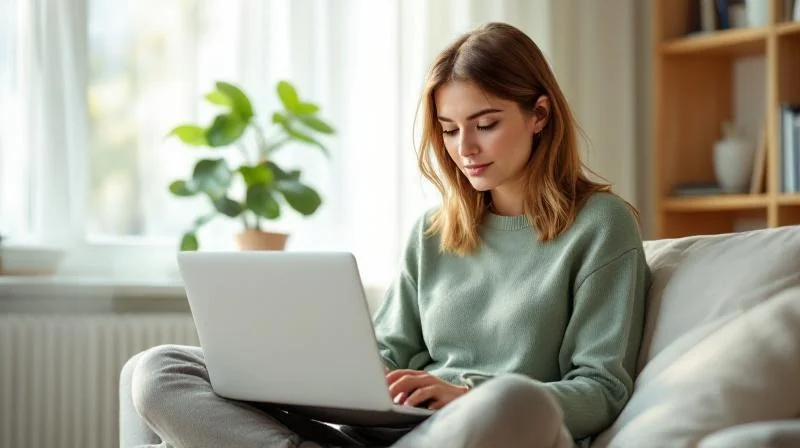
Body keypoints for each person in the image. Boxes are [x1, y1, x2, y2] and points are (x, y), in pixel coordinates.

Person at [125, 21, 651, 448]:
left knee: (514, 400)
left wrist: (463, 394)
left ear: (539, 114)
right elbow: (389, 351)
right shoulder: (433, 231)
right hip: (386, 433)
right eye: (449, 130)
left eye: (485, 124)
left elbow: (601, 389)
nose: (464, 148)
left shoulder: (601, 225)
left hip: (477, 428)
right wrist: (322, 374)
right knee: (158, 368)